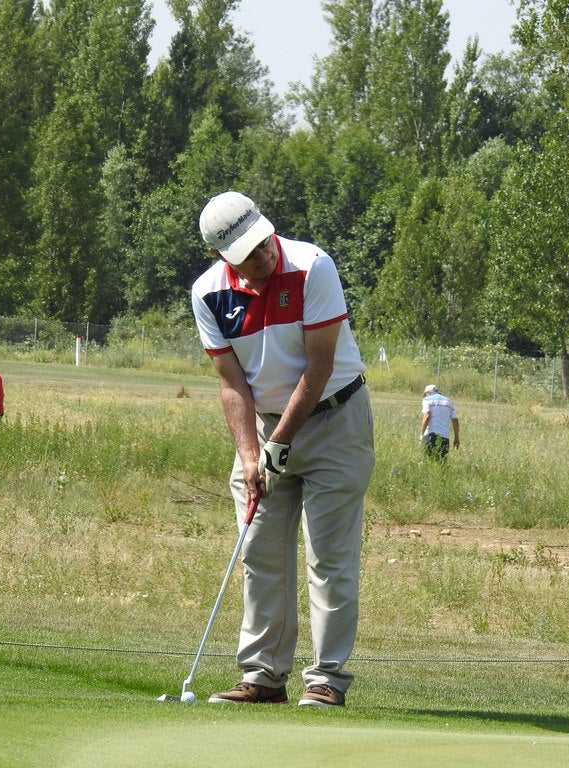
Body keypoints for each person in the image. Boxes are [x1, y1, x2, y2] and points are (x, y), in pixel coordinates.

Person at [190, 190, 375, 708]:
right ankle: (264, 676)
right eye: (248, 252)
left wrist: (278, 444)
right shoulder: (207, 295)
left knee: (329, 556)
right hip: (268, 428)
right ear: (220, 257)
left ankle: (327, 680)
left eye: (263, 241)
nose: (263, 254)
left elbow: (318, 367)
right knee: (260, 551)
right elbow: (231, 384)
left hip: (337, 418)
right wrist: (251, 455)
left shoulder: (313, 265)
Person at [421, 384, 459, 460]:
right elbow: (455, 421)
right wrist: (456, 438)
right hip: (445, 437)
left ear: (428, 392)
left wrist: (421, 434)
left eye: (425, 394)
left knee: (427, 462)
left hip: (430, 435)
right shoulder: (449, 402)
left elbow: (427, 416)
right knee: (441, 464)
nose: (425, 396)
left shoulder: (427, 400)